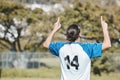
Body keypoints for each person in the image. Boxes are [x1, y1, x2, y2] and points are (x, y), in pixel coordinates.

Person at [43, 16, 111, 80]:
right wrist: (104, 29)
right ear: (79, 34)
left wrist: (54, 29)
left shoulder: (61, 48)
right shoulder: (87, 48)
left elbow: (46, 44)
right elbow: (107, 44)